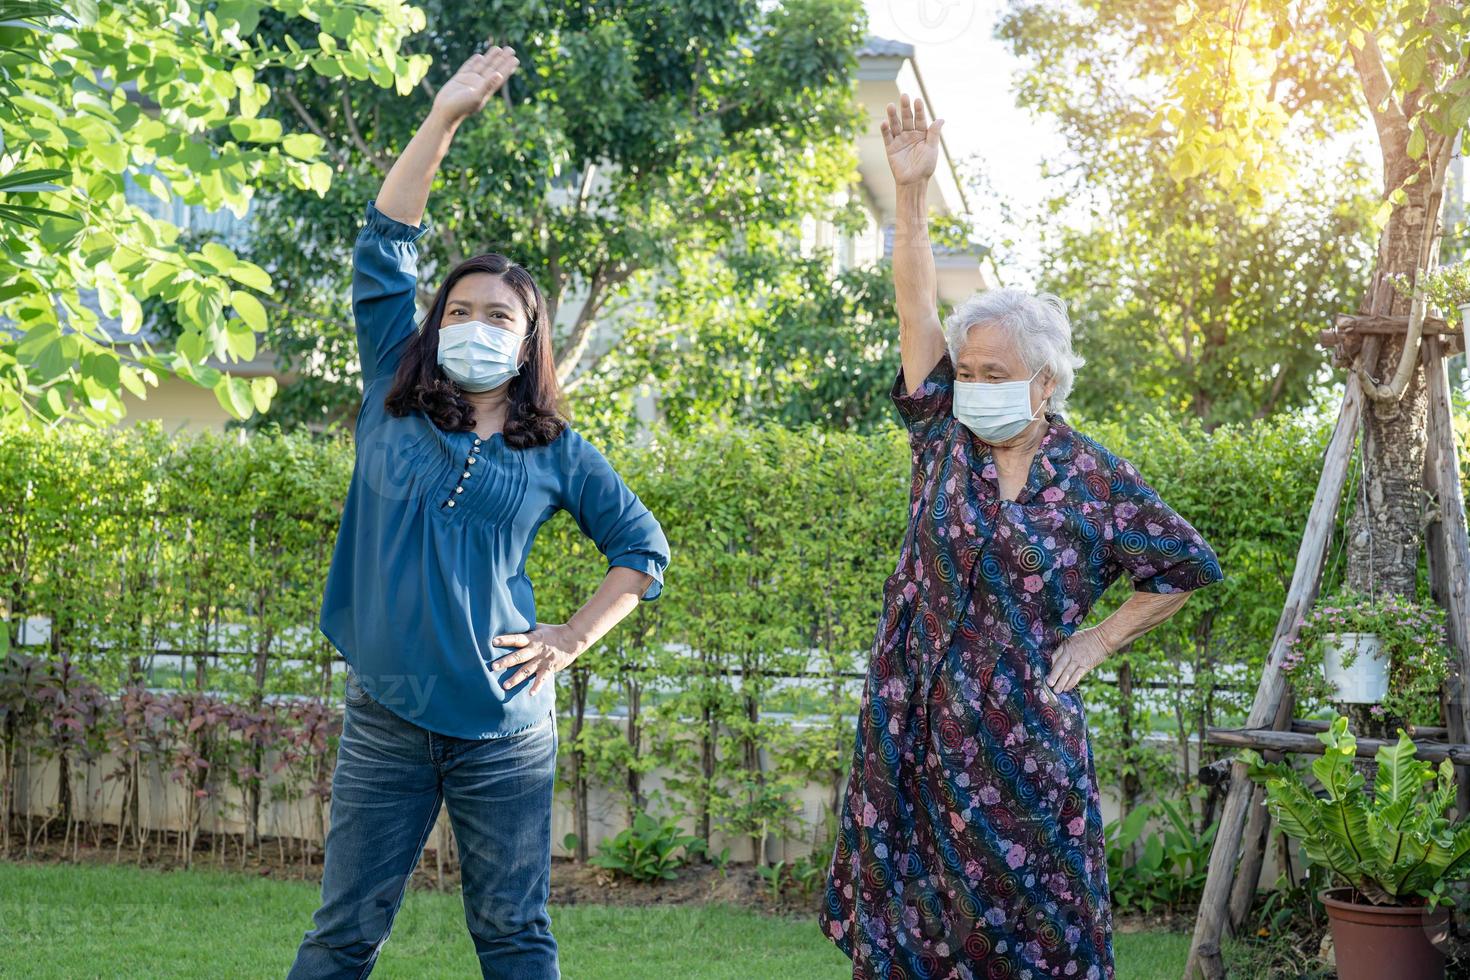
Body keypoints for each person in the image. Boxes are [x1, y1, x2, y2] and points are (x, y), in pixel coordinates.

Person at [818, 94, 1223, 978]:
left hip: (1025, 745)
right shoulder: (942, 439)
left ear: (1043, 384)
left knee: (1037, 932)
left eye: (992, 373)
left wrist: (1102, 635)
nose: (971, 385)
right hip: (916, 726)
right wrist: (912, 194)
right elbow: (913, 307)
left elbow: (1186, 565)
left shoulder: (1094, 476)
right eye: (964, 371)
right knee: (917, 929)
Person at [289, 42, 670, 980]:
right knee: (343, 934)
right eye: (461, 309)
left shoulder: (560, 453)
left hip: (505, 728)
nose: (476, 325)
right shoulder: (391, 390)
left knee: (511, 933)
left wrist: (570, 639)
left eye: (501, 317)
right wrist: (445, 116)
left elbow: (641, 549)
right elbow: (383, 245)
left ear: (529, 340)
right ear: (434, 322)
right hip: (387, 714)